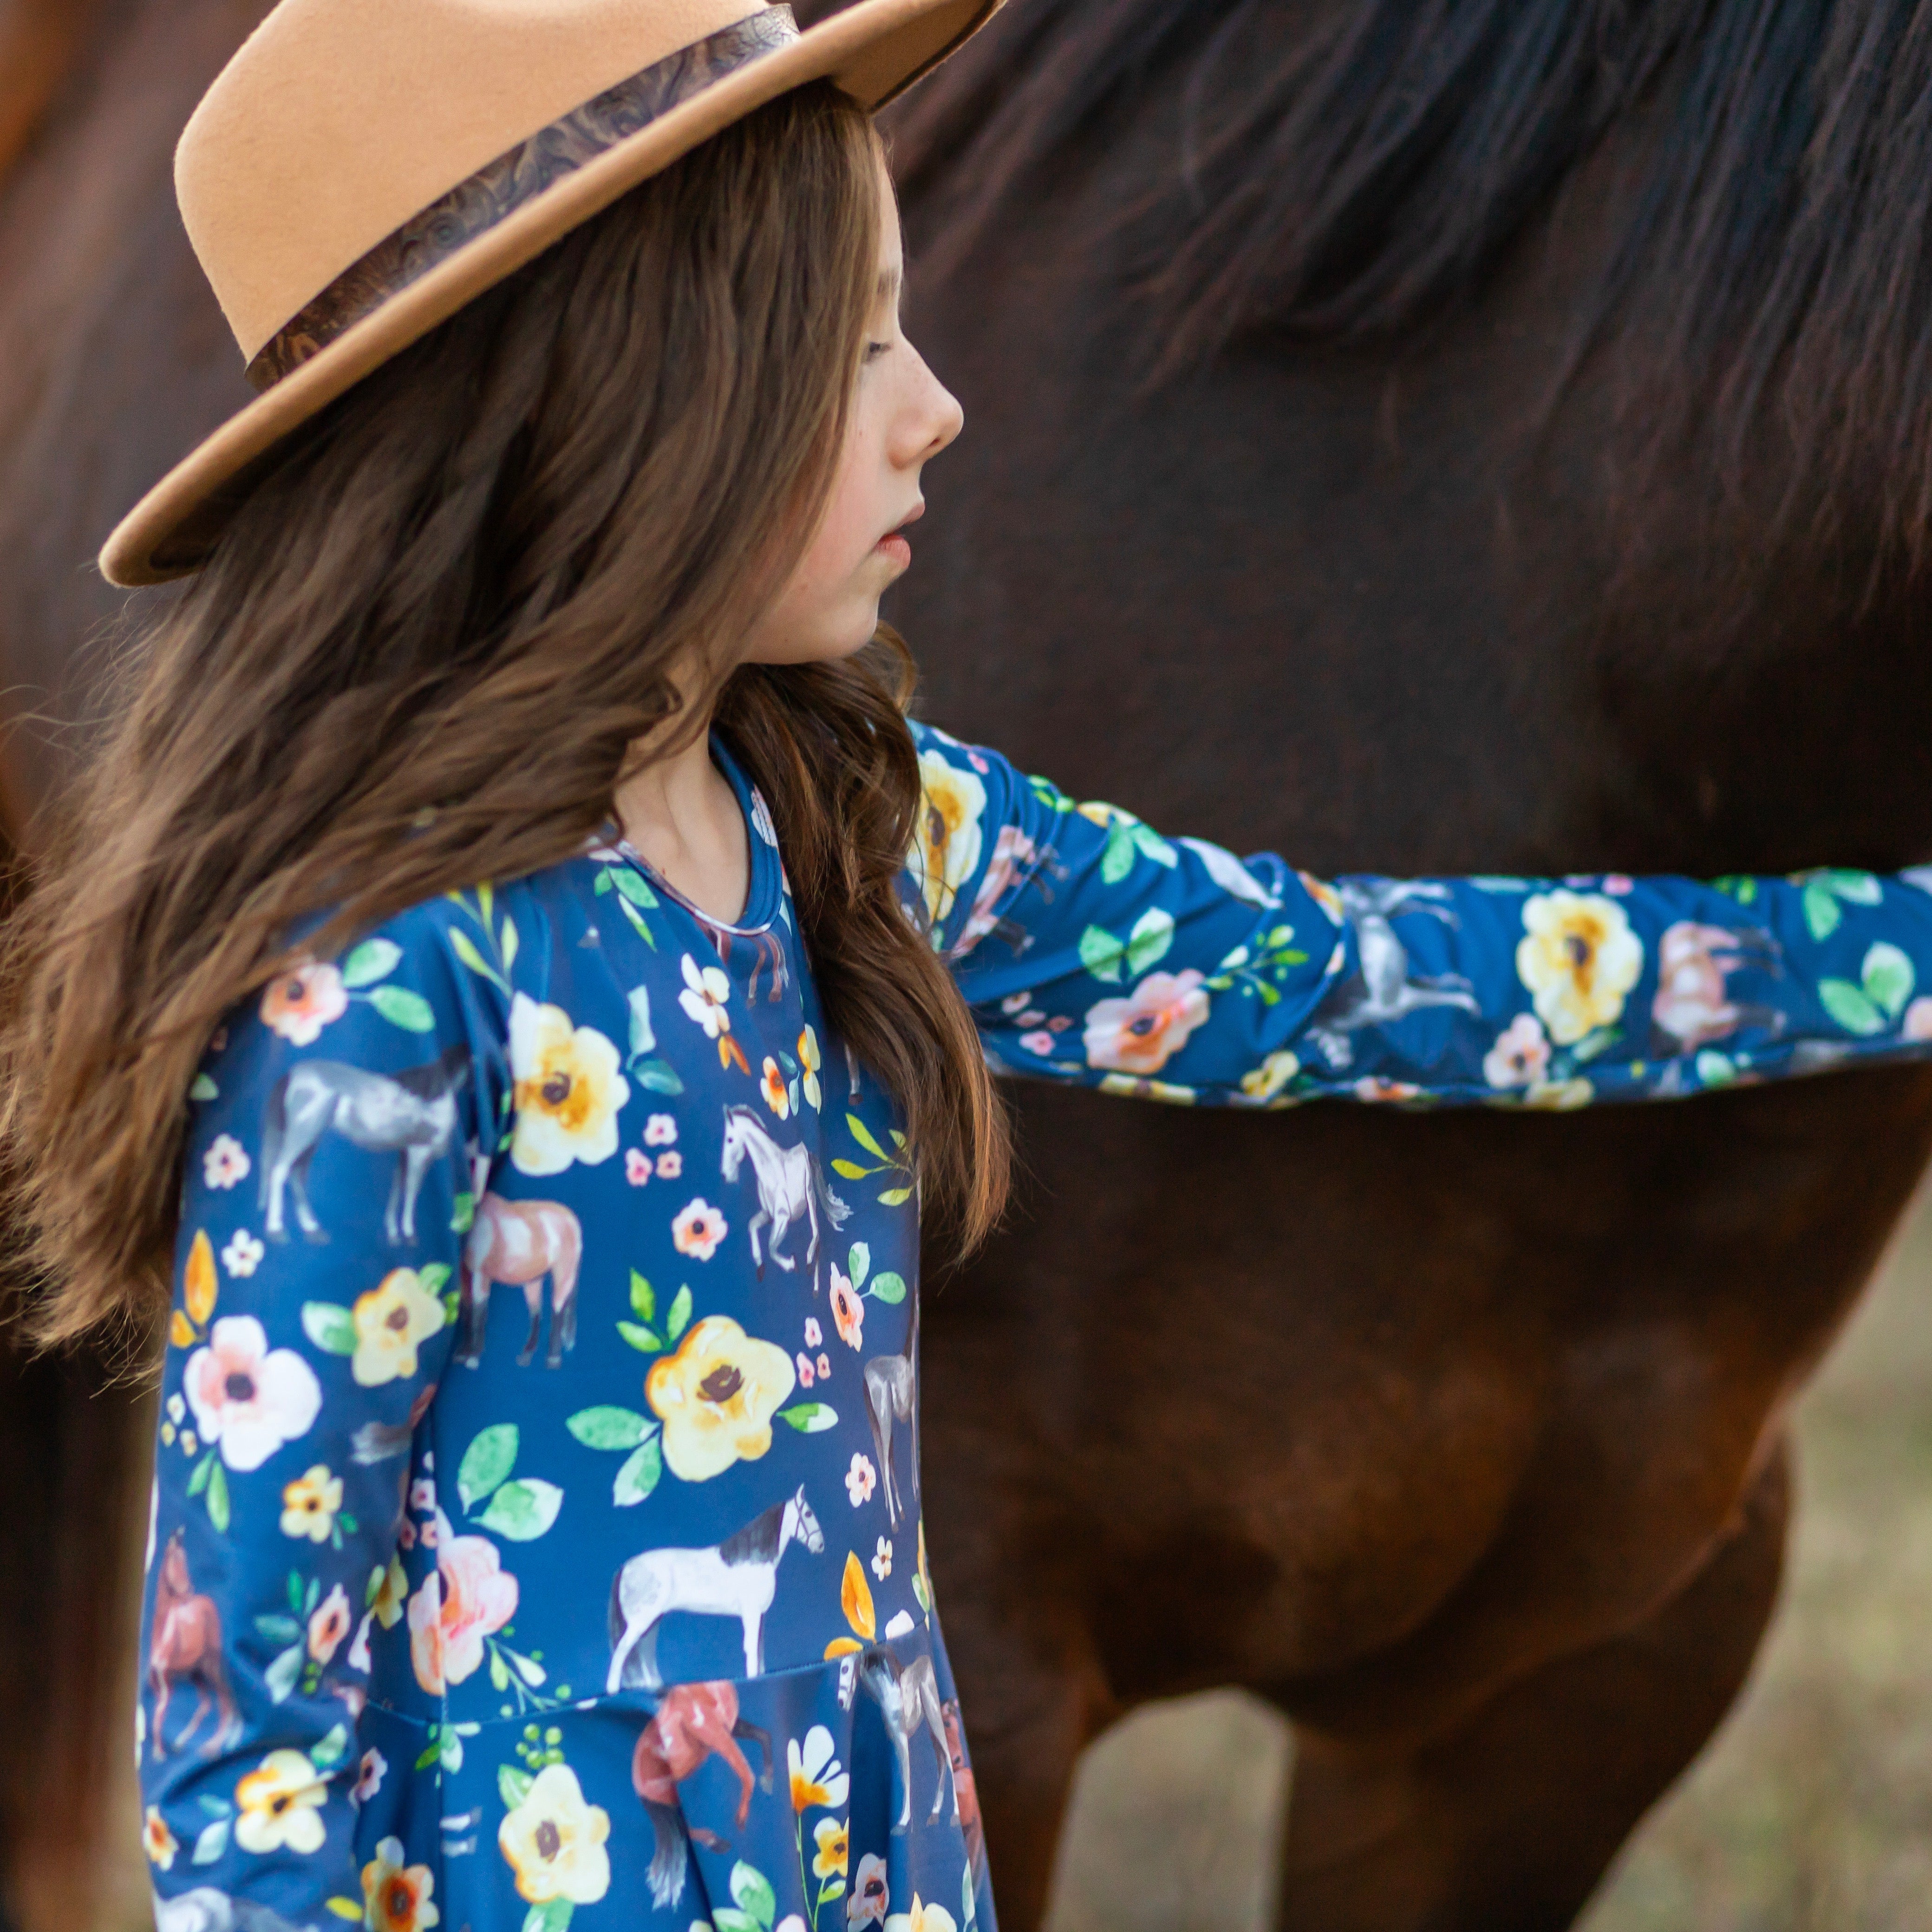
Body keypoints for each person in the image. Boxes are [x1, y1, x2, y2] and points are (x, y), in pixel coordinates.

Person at [4, 2, 1932, 1928]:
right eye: (854, 345)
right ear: (622, 398)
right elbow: (247, 1714)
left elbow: (1336, 979)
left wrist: (1888, 957)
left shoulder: (866, 834)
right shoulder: (376, 1000)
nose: (934, 408)